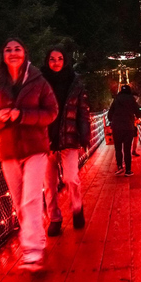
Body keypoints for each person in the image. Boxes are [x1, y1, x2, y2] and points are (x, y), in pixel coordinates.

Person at [0, 38, 58, 268]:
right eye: (8, 49)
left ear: (25, 53)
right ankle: (38, 237)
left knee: (31, 199)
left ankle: (32, 251)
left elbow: (52, 112)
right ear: (3, 55)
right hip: (8, 149)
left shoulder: (39, 82)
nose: (13, 53)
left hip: (36, 147)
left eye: (17, 49)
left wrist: (22, 115)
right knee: (18, 202)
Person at [41, 46, 91, 237]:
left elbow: (83, 111)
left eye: (59, 58)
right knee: (49, 183)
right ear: (47, 61)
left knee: (70, 177)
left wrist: (84, 134)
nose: (56, 62)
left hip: (69, 137)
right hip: (45, 139)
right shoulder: (39, 82)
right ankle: (55, 218)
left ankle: (77, 206)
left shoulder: (75, 82)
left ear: (65, 60)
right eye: (52, 59)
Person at [107, 85, 141, 176]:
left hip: (117, 128)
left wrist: (114, 120)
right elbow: (139, 113)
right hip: (128, 127)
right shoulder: (131, 100)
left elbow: (109, 115)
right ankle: (128, 170)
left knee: (118, 149)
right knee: (127, 149)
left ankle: (119, 167)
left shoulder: (116, 100)